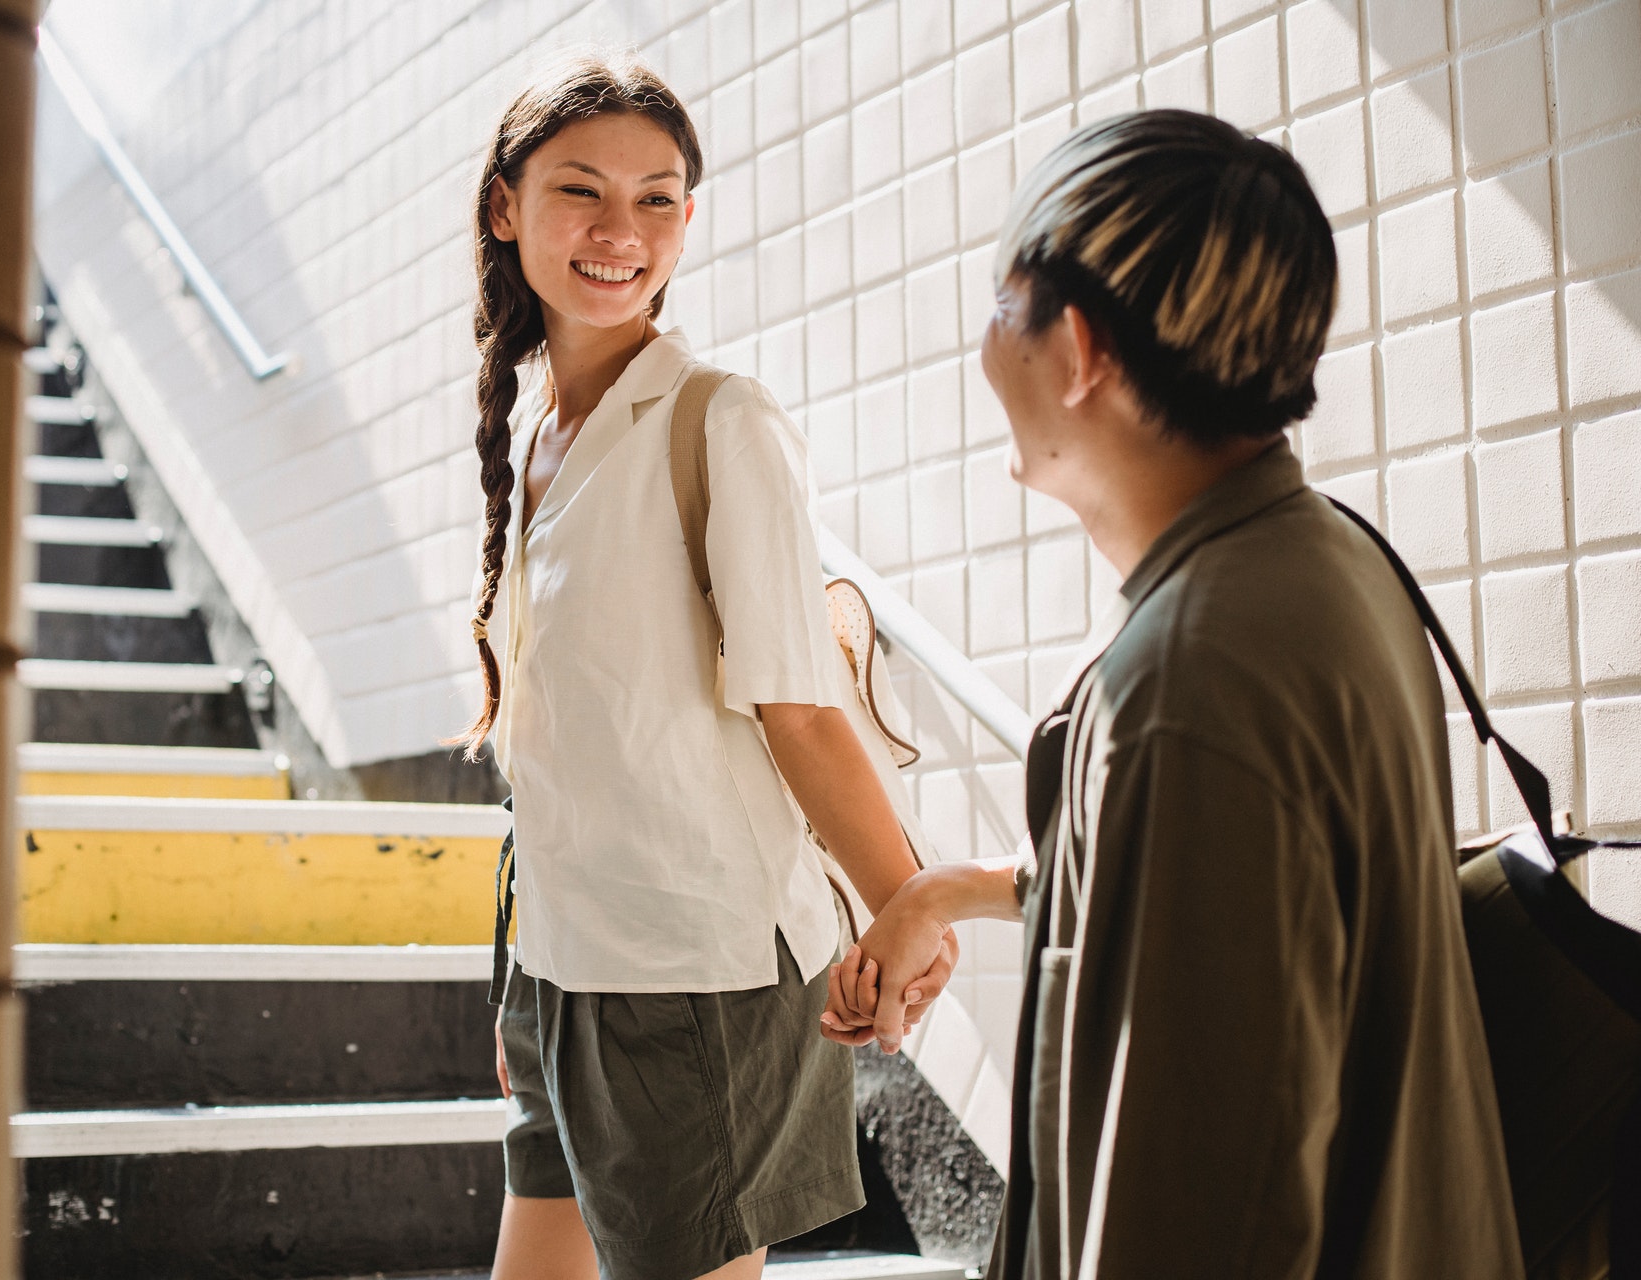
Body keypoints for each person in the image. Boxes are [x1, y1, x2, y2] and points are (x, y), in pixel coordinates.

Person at [822, 111, 1523, 1279]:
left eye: (1005, 303)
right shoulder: (1314, 562)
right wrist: (944, 887)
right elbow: (1211, 881)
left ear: (1081, 349)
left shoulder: (1194, 673)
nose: (987, 343)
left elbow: (1197, 1211)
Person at [461, 54, 956, 1280]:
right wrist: (526, 978)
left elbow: (803, 708)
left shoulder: (721, 421)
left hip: (693, 975)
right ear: (505, 207)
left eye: (660, 197)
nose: (622, 231)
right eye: (582, 191)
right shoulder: (540, 442)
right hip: (561, 959)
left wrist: (910, 912)